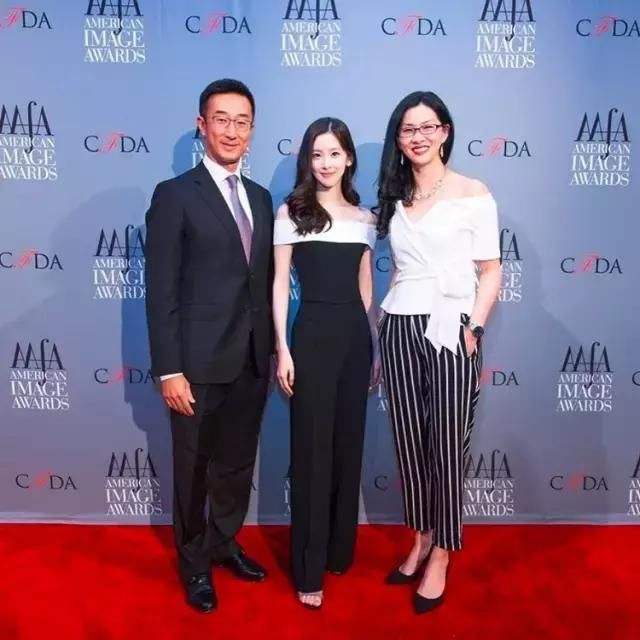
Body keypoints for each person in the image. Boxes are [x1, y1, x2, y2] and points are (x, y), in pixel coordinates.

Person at [145, 79, 274, 613]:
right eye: (221, 119)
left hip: (252, 359)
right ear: (202, 126)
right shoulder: (175, 195)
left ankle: (224, 542)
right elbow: (161, 291)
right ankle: (194, 562)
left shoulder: (261, 198)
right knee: (194, 469)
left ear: (252, 130)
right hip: (196, 365)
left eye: (241, 121)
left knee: (236, 465)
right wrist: (169, 369)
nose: (231, 131)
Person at [376, 91, 502, 614]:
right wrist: (383, 331)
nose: (419, 137)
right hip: (400, 325)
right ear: (399, 138)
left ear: (445, 132)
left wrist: (475, 325)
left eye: (428, 127)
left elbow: (490, 269)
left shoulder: (474, 192)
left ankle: (444, 552)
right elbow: (397, 270)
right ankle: (422, 536)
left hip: (453, 328)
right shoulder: (395, 195)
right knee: (410, 441)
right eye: (409, 129)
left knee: (447, 444)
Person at [272, 118, 379, 609]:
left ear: (349, 158)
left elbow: (365, 286)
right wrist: (283, 347)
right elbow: (279, 283)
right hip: (311, 335)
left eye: (334, 153)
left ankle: (339, 550)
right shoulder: (291, 211)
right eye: (317, 154)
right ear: (307, 160)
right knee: (312, 452)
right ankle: (309, 568)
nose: (326, 163)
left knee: (347, 445)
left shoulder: (365, 218)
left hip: (355, 337)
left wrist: (374, 344)